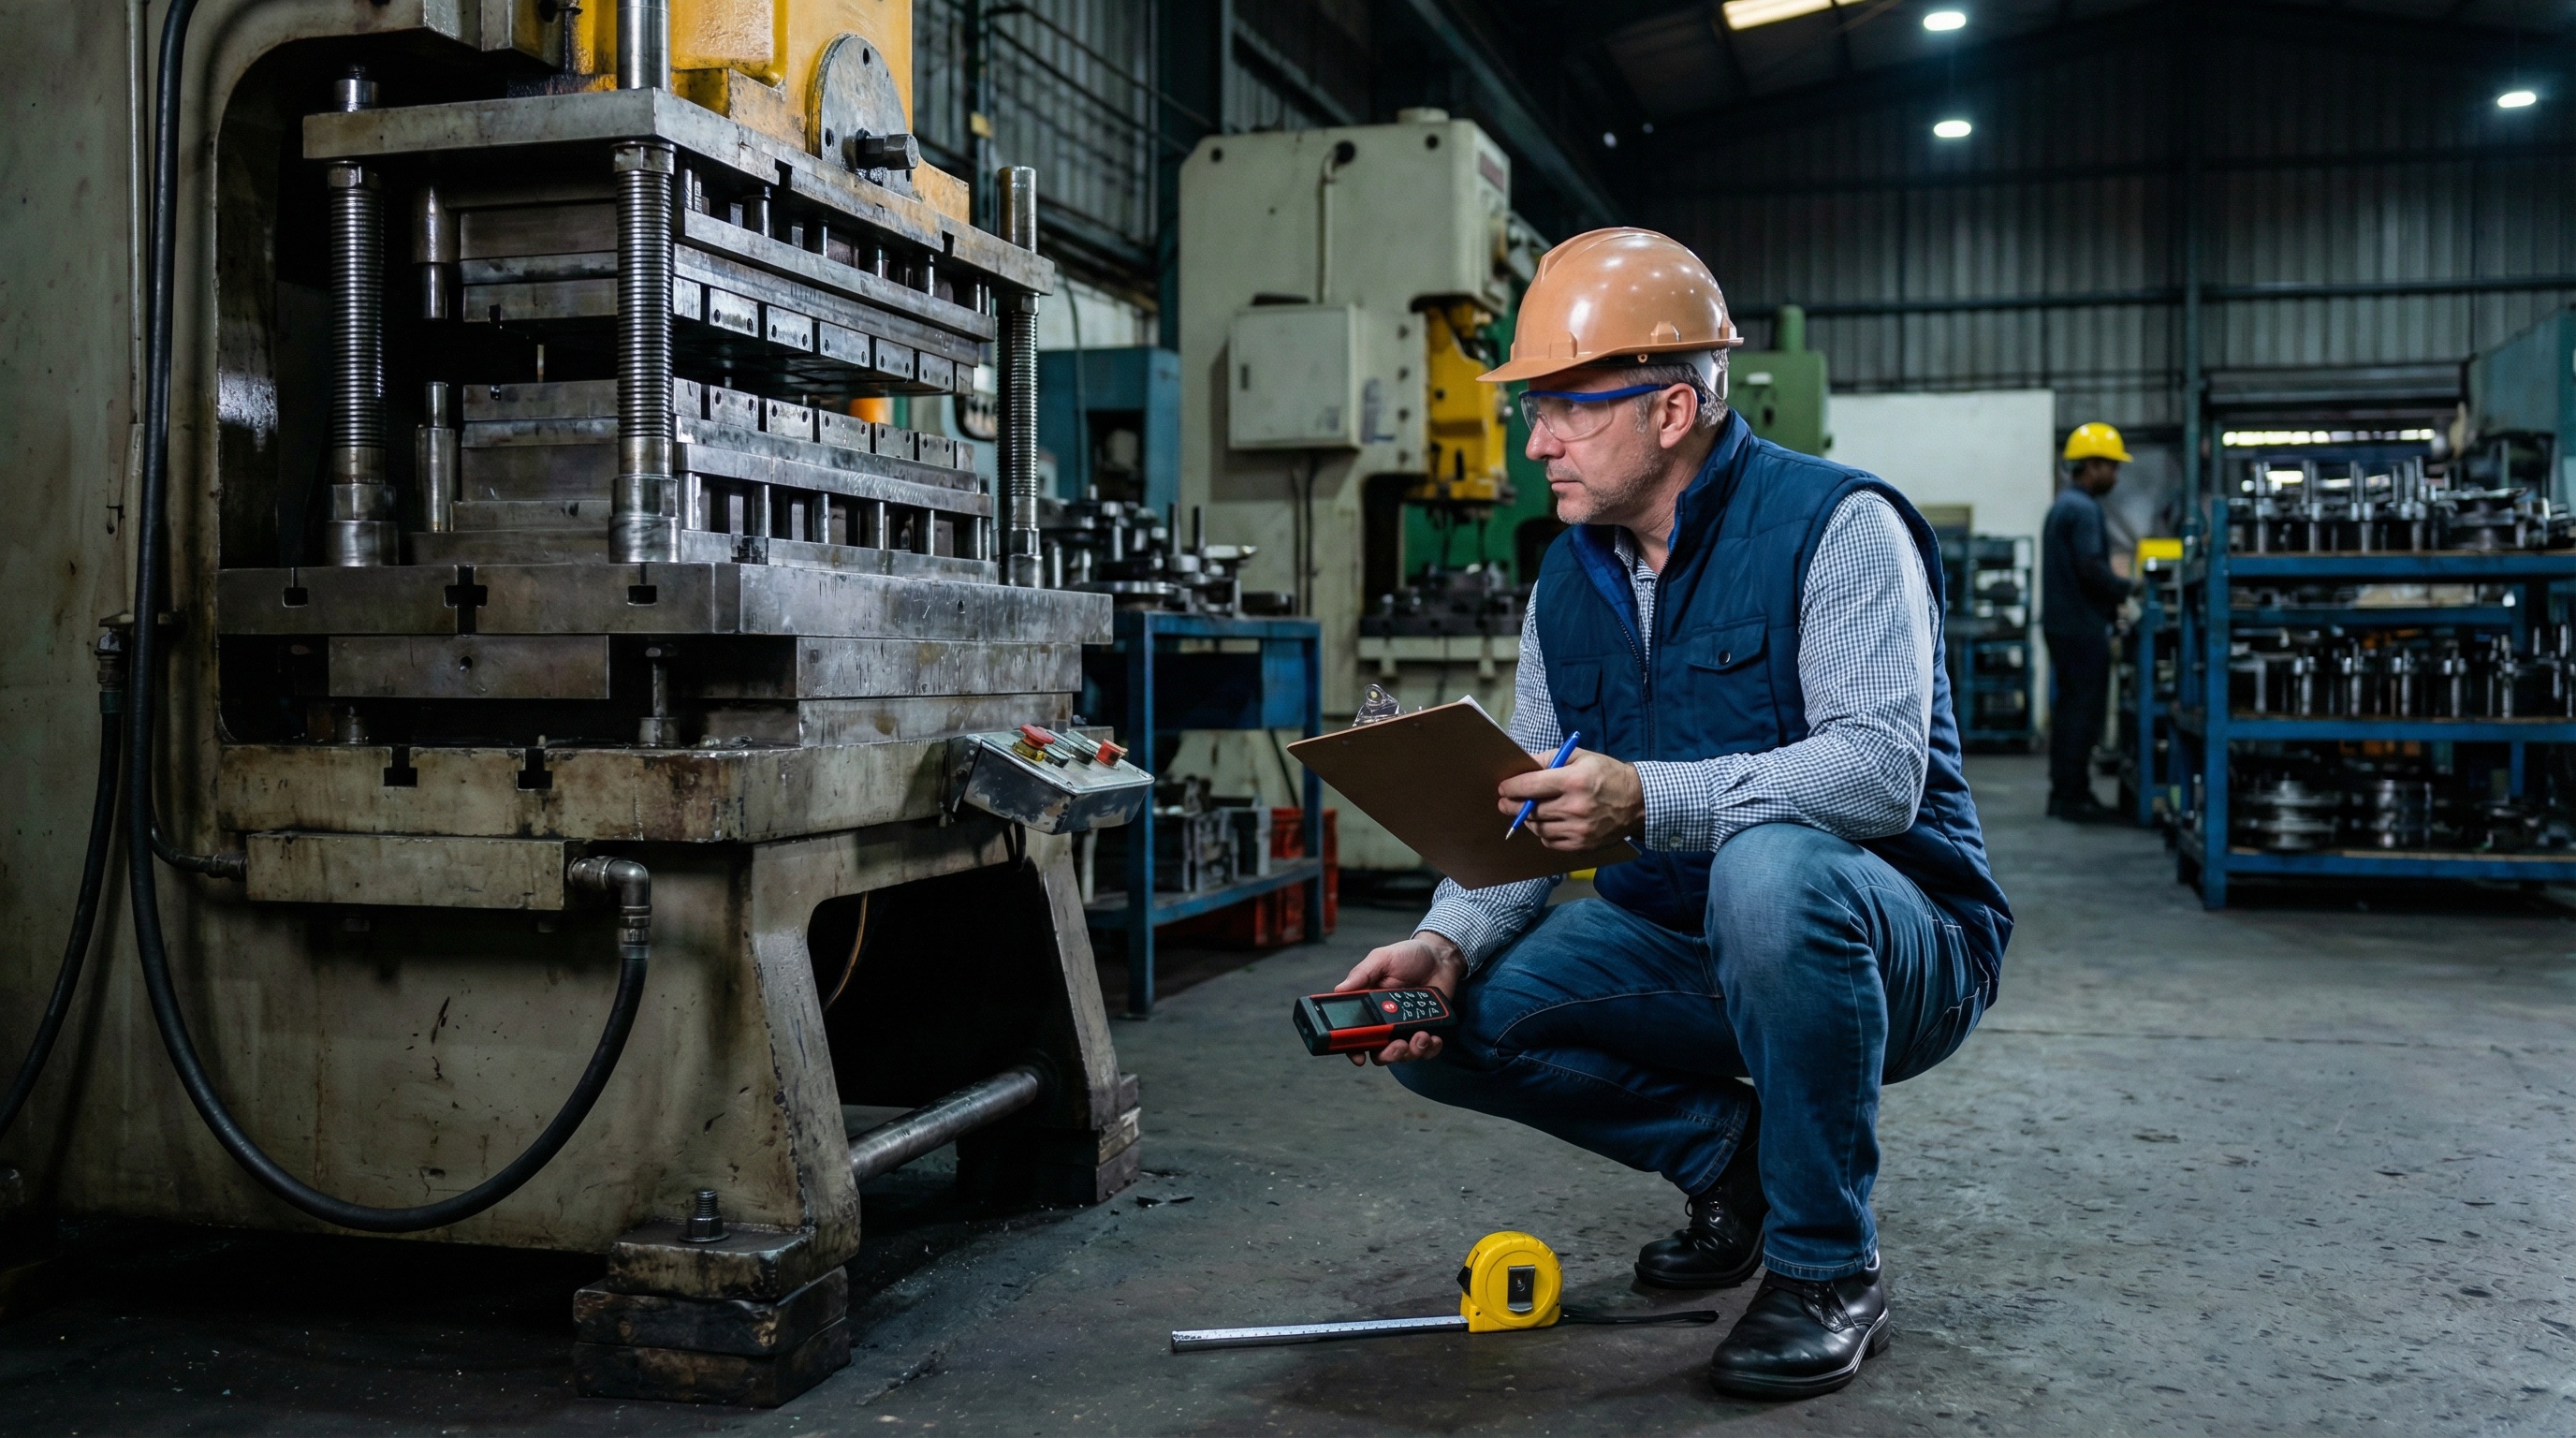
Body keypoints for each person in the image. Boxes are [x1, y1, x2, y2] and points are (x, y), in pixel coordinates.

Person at [1332, 228, 2011, 1401]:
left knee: (1771, 872)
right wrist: (1443, 938)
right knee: (1449, 1023)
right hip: (1680, 943)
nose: (1535, 440)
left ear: (1673, 410)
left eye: (1568, 408)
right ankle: (1734, 1163)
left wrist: (1649, 797)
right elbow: (1532, 807)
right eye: (1534, 409)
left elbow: (1877, 775)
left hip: (1893, 946)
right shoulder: (1564, 574)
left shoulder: (1838, 527)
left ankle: (1825, 1267)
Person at [2042, 424, 2134, 823]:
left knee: (2070, 712)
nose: (2115, 476)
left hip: (2064, 624)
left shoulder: (2063, 505)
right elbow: (2091, 568)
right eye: (2111, 467)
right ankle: (2072, 797)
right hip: (2080, 627)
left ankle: (2066, 792)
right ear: (2091, 465)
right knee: (2083, 714)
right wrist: (2128, 589)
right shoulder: (2082, 509)